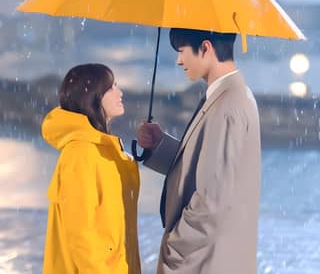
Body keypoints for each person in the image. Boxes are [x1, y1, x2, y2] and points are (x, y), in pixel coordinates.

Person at [137, 28, 261, 274]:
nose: (179, 60)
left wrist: (174, 246)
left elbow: (211, 201)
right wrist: (160, 145)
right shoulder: (229, 96)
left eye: (182, 51)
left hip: (206, 261)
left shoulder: (228, 105)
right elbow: (207, 165)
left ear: (205, 48)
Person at [42, 63, 141, 274]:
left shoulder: (105, 151)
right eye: (112, 87)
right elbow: (81, 235)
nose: (119, 92)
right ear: (93, 97)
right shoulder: (80, 153)